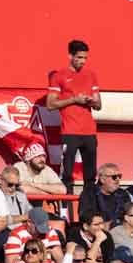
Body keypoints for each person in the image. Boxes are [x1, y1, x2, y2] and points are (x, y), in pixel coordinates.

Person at [46, 40, 102, 195]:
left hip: (89, 132)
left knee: (90, 176)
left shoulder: (91, 75)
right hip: (70, 132)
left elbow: (99, 105)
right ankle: (67, 212)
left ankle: (88, 212)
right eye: (79, 57)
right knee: (67, 175)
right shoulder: (59, 76)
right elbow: (50, 104)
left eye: (85, 58)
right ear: (70, 56)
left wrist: (92, 101)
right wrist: (74, 100)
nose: (82, 61)